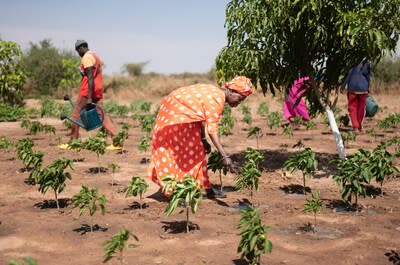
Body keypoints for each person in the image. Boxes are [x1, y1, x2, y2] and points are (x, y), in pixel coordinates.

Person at [148, 76, 254, 199]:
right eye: (239, 99)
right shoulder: (216, 99)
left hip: (184, 118)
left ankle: (205, 188)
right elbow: (212, 130)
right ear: (231, 91)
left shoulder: (215, 93)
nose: (238, 103)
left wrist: (203, 140)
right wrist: (225, 156)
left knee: (197, 150)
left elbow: (202, 118)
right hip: (174, 120)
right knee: (174, 154)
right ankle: (173, 193)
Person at [69, 40, 117, 140]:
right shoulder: (95, 55)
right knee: (102, 115)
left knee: (76, 114)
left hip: (87, 91)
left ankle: (73, 140)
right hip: (97, 89)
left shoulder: (87, 57)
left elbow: (90, 77)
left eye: (78, 51)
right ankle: (116, 139)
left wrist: (89, 98)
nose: (78, 54)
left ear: (82, 47)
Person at [340, 59, 372, 132]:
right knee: (361, 108)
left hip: (352, 89)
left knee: (352, 108)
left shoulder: (352, 64)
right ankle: (359, 125)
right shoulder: (367, 64)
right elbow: (368, 77)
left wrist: (342, 86)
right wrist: (368, 88)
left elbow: (348, 76)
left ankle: (355, 126)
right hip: (363, 89)